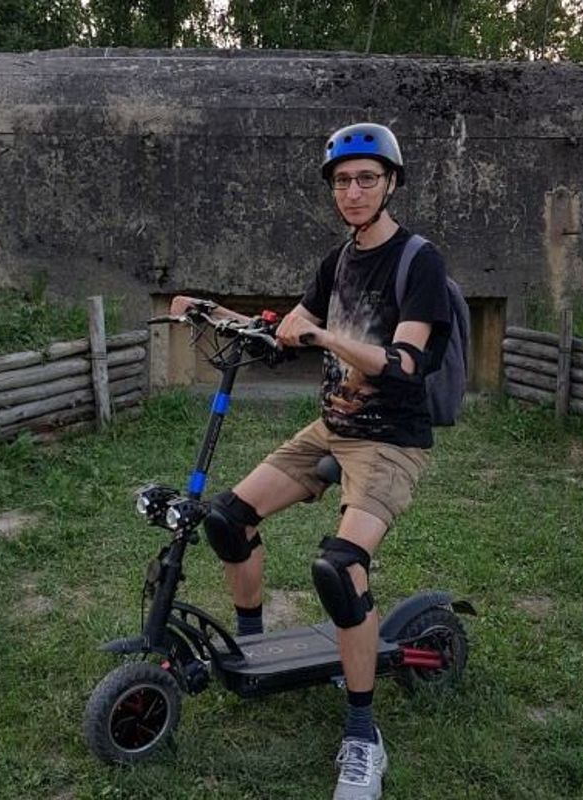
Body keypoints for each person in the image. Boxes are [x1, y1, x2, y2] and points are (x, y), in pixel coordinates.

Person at [170, 122, 451, 800]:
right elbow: (283, 331)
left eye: (367, 179)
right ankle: (254, 650)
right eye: (342, 181)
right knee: (228, 520)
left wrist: (327, 334)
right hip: (331, 427)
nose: (353, 192)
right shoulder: (338, 261)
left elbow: (404, 364)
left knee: (339, 568)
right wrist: (215, 311)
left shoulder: (420, 261)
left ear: (390, 183)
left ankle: (362, 738)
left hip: (389, 438)